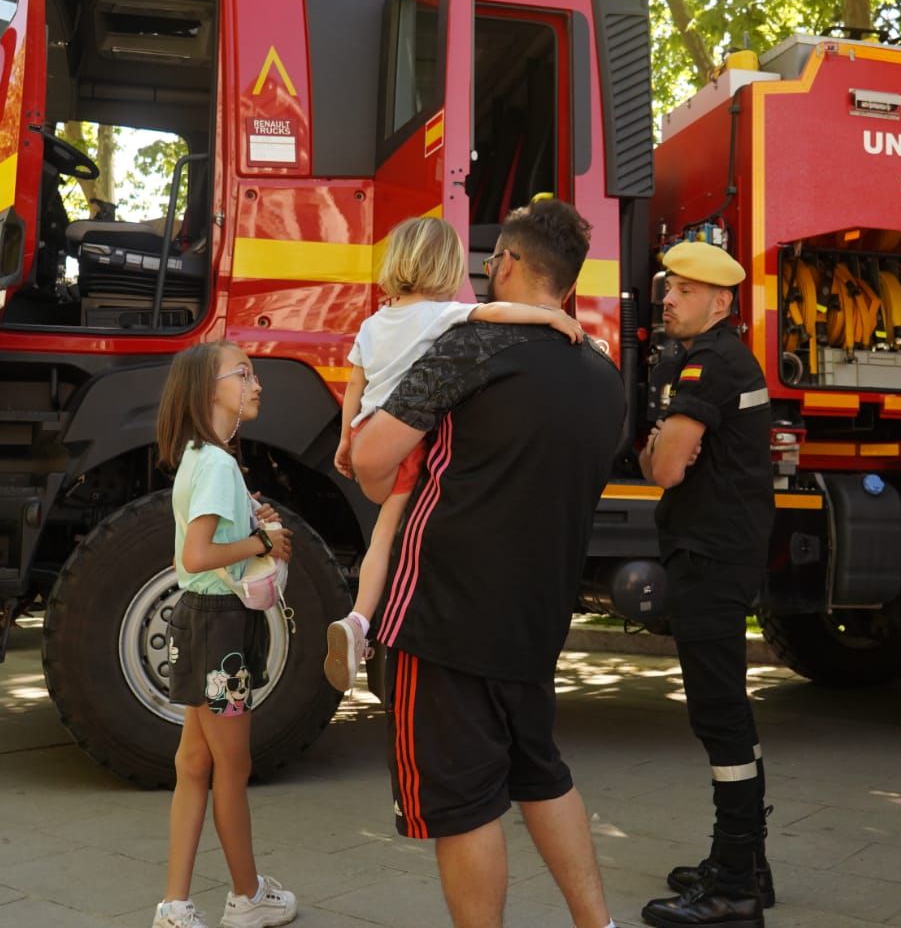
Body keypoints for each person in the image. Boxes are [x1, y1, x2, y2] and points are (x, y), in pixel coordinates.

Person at [351, 198, 625, 928]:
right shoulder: (604, 375)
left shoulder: (470, 347)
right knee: (541, 773)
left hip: (443, 614)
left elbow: (372, 464)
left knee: (464, 806)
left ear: (505, 263)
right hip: (536, 620)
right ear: (566, 284)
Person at [326, 215, 583, 692]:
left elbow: (355, 387)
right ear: (448, 268)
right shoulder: (439, 316)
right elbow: (497, 314)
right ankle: (362, 622)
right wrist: (552, 316)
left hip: (367, 430)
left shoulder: (372, 323)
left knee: (386, 528)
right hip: (407, 446)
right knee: (388, 536)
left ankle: (362, 620)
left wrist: (346, 440)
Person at [636, 242, 775, 928]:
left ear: (720, 303)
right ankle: (745, 864)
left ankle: (735, 889)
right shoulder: (713, 358)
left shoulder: (711, 362)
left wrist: (659, 447)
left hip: (713, 557)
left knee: (720, 714)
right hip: (721, 551)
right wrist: (664, 448)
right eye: (668, 287)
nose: (666, 298)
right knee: (723, 713)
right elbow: (670, 457)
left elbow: (663, 467)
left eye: (683, 290)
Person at [152, 341, 299, 928]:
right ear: (208, 389)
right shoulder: (217, 463)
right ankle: (245, 897)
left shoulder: (198, 457)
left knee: (193, 762)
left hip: (197, 621)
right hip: (223, 634)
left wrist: (248, 518)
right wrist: (264, 543)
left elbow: (201, 544)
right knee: (231, 771)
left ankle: (175, 904)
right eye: (244, 374)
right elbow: (199, 551)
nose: (256, 383)